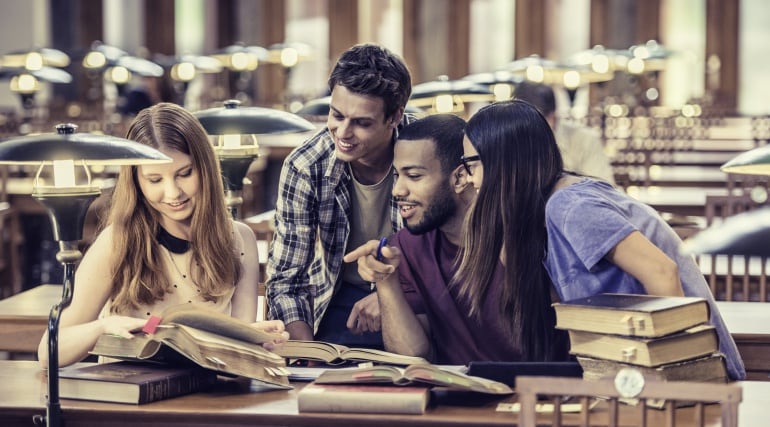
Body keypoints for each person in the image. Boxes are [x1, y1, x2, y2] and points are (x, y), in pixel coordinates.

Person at [458, 99, 746, 379]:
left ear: (502, 161)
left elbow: (662, 273)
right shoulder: (546, 211)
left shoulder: (571, 206)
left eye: (471, 164)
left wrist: (680, 380)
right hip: (631, 375)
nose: (470, 178)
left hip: (694, 378)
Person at [37, 102, 288, 367]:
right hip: (130, 387)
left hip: (207, 389)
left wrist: (254, 341)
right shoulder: (117, 241)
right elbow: (48, 353)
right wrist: (102, 326)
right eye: (155, 180)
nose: (173, 193)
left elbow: (235, 359)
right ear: (137, 182)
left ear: (205, 168)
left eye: (185, 174)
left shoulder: (240, 240)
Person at [343, 114, 569, 364]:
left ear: (460, 178)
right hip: (458, 388)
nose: (398, 190)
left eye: (414, 176)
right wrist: (385, 281)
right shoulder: (405, 248)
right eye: (397, 175)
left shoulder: (526, 233)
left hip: (541, 386)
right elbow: (412, 356)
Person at [266, 43, 414, 348]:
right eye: (337, 115)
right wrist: (305, 353)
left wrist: (394, 296)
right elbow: (287, 281)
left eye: (361, 123)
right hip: (338, 300)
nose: (343, 133)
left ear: (395, 117)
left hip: (417, 297)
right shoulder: (306, 165)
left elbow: (458, 264)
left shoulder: (429, 152)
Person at [513, 81, 616, 185]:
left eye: (532, 124)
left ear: (552, 118)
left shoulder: (584, 140)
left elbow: (603, 188)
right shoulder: (511, 139)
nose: (526, 134)